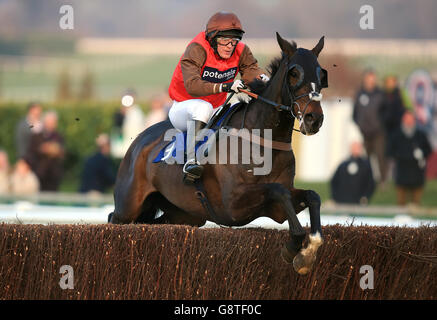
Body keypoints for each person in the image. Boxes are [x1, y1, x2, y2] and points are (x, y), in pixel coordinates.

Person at [167, 11, 269, 181]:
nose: (230, 45)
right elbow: (192, 86)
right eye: (224, 40)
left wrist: (266, 80)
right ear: (212, 38)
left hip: (216, 109)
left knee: (241, 108)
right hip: (184, 107)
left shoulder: (241, 51)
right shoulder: (196, 49)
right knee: (203, 107)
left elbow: (252, 72)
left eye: (234, 40)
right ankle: (190, 161)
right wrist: (225, 86)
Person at [386, 111, 432, 206]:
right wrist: (401, 155)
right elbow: (389, 151)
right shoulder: (396, 135)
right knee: (401, 204)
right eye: (407, 119)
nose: (409, 122)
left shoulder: (420, 135)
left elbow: (428, 150)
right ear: (403, 120)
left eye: (411, 119)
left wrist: (422, 154)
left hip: (417, 175)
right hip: (401, 174)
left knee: (416, 205)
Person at [352, 69, 387, 185]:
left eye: (373, 79)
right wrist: (360, 124)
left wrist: (380, 124)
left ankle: (383, 181)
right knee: (366, 159)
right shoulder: (359, 93)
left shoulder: (380, 94)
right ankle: (368, 181)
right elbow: (355, 113)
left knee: (380, 156)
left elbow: (385, 112)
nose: (371, 81)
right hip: (364, 132)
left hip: (378, 132)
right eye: (369, 79)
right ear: (365, 79)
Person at [26, 111, 65, 191]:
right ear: (45, 122)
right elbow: (31, 152)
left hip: (54, 173)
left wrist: (56, 150)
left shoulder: (59, 136)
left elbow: (63, 152)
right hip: (40, 172)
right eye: (49, 122)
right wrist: (42, 149)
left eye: (53, 122)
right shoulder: (36, 136)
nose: (51, 124)